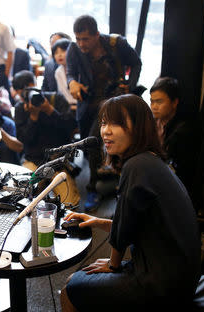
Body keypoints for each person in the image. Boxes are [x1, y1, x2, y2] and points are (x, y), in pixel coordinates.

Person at [60, 94, 201, 312]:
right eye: (104, 122)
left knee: (69, 290)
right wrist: (97, 221)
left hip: (161, 284)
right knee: (75, 281)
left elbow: (124, 231)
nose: (105, 130)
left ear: (138, 127)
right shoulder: (150, 160)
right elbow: (137, 224)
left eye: (116, 123)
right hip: (175, 276)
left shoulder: (136, 165)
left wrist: (113, 264)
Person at [66, 15, 141, 210]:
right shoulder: (74, 49)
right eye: (78, 38)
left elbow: (136, 63)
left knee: (93, 141)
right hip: (88, 103)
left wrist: (129, 86)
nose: (81, 43)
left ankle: (94, 188)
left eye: (86, 39)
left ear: (97, 35)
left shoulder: (117, 44)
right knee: (89, 146)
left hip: (112, 101)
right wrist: (72, 82)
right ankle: (106, 180)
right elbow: (70, 73)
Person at [13, 70, 80, 206]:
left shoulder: (56, 99)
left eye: (27, 88)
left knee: (69, 204)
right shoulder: (21, 108)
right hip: (34, 160)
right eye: (21, 92)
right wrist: (33, 117)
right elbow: (24, 140)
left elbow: (71, 128)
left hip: (58, 161)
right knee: (22, 198)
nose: (26, 95)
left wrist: (50, 110)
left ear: (34, 84)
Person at [150, 77, 199, 196]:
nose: (154, 106)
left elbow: (179, 170)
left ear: (174, 102)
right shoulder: (153, 122)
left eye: (159, 102)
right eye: (152, 101)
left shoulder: (181, 131)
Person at [51, 38, 77, 110]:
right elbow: (62, 94)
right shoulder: (58, 72)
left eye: (63, 51)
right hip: (67, 107)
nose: (59, 55)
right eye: (56, 52)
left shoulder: (78, 68)